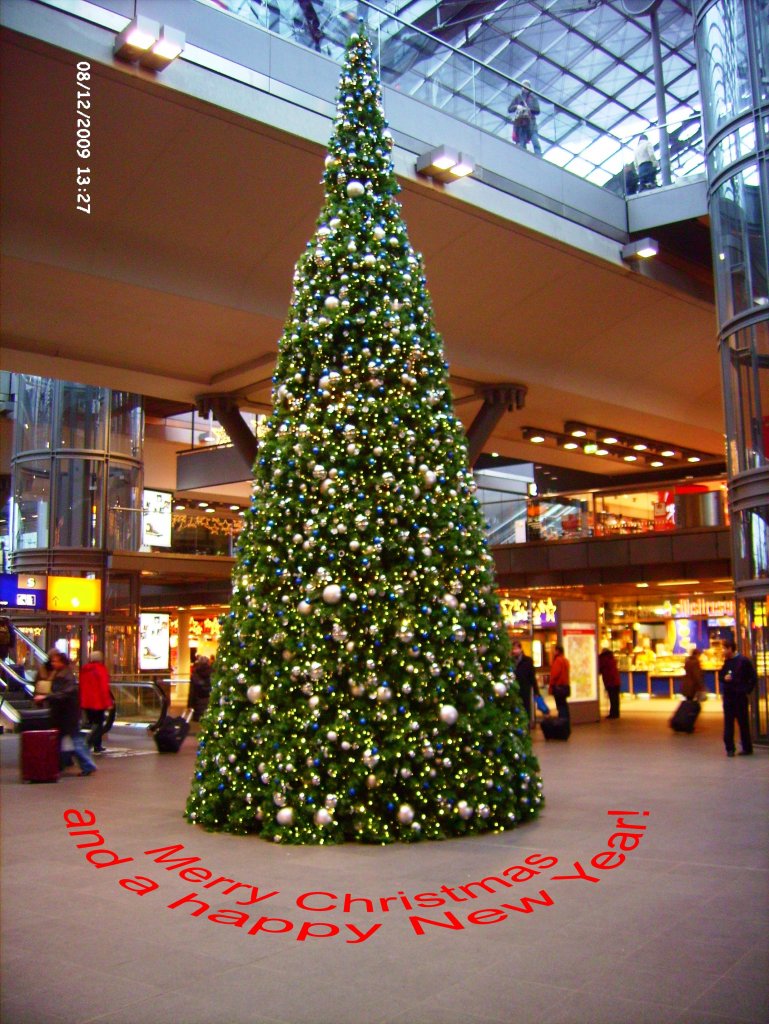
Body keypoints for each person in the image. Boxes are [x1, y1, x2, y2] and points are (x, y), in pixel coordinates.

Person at [34, 650, 97, 776]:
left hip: (67, 714)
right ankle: (62, 764)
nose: (52, 663)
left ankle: (86, 764)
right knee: (66, 740)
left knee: (75, 740)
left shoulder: (64, 676)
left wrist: (46, 698)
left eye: (55, 661)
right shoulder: (60, 674)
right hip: (65, 714)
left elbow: (64, 694)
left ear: (62, 662)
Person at [718, 640, 757, 757]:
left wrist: (746, 690)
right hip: (729, 697)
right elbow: (721, 675)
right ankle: (730, 748)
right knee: (728, 723)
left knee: (743, 723)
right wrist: (724, 678)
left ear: (730, 648)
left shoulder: (743, 661)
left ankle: (747, 747)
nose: (723, 651)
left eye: (724, 649)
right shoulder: (727, 662)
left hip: (739, 697)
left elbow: (753, 677)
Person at [79, 650, 114, 754]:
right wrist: (108, 703)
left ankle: (97, 745)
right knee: (98, 724)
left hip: (86, 701)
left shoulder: (84, 670)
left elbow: (81, 685)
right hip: (98, 702)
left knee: (93, 723)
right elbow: (104, 688)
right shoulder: (101, 670)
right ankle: (90, 743)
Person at [508, 80, 541, 155]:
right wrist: (517, 106)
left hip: (531, 123)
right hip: (521, 124)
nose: (525, 87)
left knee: (535, 142)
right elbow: (509, 109)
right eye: (524, 85)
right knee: (522, 143)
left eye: (527, 86)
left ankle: (539, 157)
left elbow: (537, 110)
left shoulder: (533, 97)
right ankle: (524, 157)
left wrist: (528, 109)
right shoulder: (518, 96)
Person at [512, 640, 539, 721]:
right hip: (514, 690)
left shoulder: (528, 661)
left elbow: (532, 677)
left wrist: (536, 691)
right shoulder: (511, 661)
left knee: (525, 709)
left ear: (520, 649)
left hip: (524, 690)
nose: (514, 651)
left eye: (516, 648)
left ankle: (526, 727)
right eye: (513, 649)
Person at [549, 644, 571, 721]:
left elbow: (554, 675)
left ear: (557, 651)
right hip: (565, 686)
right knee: (564, 704)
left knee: (560, 705)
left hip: (558, 687)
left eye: (554, 650)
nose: (552, 652)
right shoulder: (565, 660)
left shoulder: (558, 661)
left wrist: (551, 685)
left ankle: (562, 720)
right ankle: (566, 720)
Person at [598, 647, 621, 719]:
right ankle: (616, 713)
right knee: (615, 698)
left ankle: (613, 714)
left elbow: (600, 668)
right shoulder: (612, 658)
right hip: (616, 680)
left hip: (609, 681)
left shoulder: (603, 659)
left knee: (612, 698)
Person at [188, 655, 212, 722]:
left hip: (198, 701)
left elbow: (192, 691)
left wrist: (190, 704)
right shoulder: (213, 673)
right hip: (209, 699)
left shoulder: (195, 674)